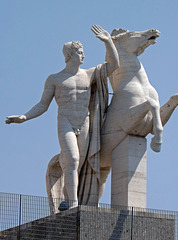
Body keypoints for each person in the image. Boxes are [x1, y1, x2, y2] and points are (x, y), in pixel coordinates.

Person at [6, 25, 119, 206]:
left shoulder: (89, 74)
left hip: (85, 122)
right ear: (69, 55)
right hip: (65, 121)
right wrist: (24, 117)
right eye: (80, 52)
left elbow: (114, 65)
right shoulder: (54, 79)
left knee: (79, 164)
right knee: (73, 159)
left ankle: (69, 199)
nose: (83, 55)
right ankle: (72, 203)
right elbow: (43, 104)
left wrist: (107, 42)